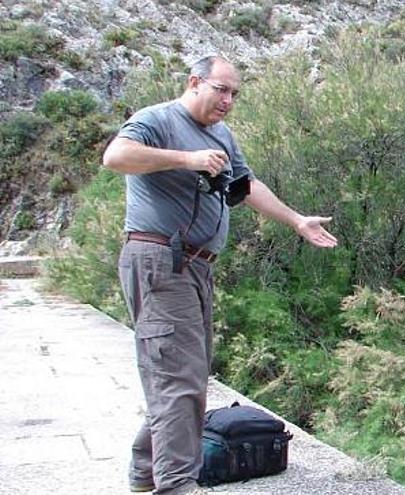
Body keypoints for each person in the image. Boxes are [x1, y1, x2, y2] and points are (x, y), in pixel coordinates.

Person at [103, 55, 337, 495]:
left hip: (196, 266)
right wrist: (186, 159)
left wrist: (296, 220)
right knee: (179, 378)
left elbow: (244, 187)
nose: (228, 100)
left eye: (235, 94)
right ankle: (175, 485)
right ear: (195, 82)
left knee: (184, 372)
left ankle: (145, 469)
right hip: (159, 259)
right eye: (221, 90)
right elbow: (116, 156)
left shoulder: (221, 135)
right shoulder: (157, 120)